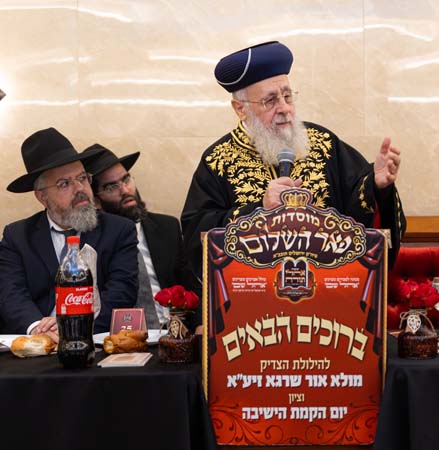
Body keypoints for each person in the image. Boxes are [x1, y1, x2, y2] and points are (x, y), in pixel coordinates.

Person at [181, 41, 406, 281]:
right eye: (270, 101)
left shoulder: (323, 143)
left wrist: (376, 186)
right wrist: (258, 209)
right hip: (254, 295)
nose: (285, 108)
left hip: (328, 290)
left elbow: (361, 216)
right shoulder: (218, 160)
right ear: (240, 109)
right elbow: (198, 235)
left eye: (287, 96)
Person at [0, 128, 139, 337]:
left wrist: (76, 329)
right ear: (42, 197)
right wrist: (37, 328)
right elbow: (11, 294)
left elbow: (122, 291)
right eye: (64, 183)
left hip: (93, 339)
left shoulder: (119, 230)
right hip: (39, 344)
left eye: (82, 178)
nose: (80, 188)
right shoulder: (17, 236)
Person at [83, 144, 199, 329]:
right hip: (123, 335)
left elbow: (192, 287)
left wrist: (200, 324)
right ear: (95, 200)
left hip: (175, 332)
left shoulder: (167, 227)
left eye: (126, 179)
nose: (125, 190)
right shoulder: (91, 243)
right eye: (111, 186)